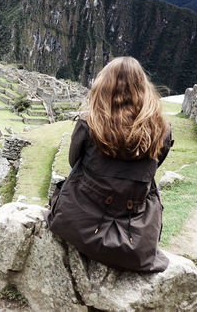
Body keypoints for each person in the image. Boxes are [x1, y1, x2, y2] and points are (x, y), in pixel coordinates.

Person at [46, 57, 173, 272]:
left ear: (103, 86)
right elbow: (153, 167)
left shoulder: (89, 123)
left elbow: (73, 161)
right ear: (144, 88)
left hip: (79, 221)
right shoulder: (163, 130)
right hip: (135, 235)